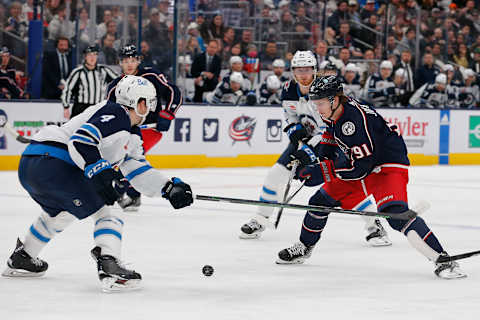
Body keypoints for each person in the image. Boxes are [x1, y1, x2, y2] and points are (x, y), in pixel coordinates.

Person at [2, 76, 194, 291]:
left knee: (61, 213)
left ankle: (24, 257)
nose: (151, 109)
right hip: (56, 162)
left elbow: (135, 168)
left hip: (33, 164)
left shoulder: (130, 132)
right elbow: (81, 141)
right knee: (109, 212)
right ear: (139, 103)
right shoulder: (116, 113)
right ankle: (109, 263)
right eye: (149, 103)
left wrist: (167, 187)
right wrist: (100, 171)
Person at [276, 75, 466, 280]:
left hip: (387, 165)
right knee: (319, 202)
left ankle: (444, 260)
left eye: (320, 103)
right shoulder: (334, 112)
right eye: (316, 103)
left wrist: (322, 172)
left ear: (334, 99)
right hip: (365, 162)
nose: (318, 108)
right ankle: (304, 247)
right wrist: (315, 161)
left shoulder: (353, 123)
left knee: (395, 214)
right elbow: (330, 140)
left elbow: (360, 169)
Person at [239, 51, 391, 246]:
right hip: (305, 141)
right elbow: (289, 115)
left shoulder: (325, 90)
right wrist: (294, 129)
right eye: (298, 70)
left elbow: (330, 126)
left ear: (315, 70)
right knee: (275, 174)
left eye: (308, 69)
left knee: (342, 186)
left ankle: (374, 224)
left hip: (332, 144)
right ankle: (260, 218)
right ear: (293, 71)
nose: (303, 74)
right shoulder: (288, 88)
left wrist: (310, 148)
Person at [106, 45, 183, 211]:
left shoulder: (151, 75)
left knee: (128, 159)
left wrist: (168, 113)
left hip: (150, 130)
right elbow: (108, 111)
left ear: (138, 61)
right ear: (120, 63)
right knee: (121, 159)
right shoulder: (115, 85)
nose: (129, 64)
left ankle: (125, 193)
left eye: (133, 60)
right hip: (127, 131)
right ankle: (127, 193)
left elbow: (173, 91)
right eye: (125, 61)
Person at [61, 45, 118, 119]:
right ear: (85, 57)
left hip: (98, 107)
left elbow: (119, 81)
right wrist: (66, 107)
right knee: (78, 129)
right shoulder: (78, 72)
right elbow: (67, 89)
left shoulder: (104, 70)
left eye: (95, 54)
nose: (92, 57)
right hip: (81, 108)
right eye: (89, 55)